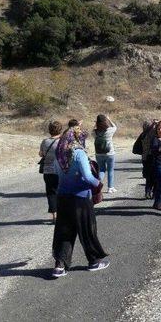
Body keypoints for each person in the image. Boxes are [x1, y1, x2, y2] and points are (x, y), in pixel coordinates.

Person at [52, 125, 108, 278]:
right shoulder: (78, 153)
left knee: (64, 232)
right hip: (81, 198)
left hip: (63, 198)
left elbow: (57, 175)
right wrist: (99, 185)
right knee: (87, 230)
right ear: (78, 138)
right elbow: (88, 178)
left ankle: (60, 265)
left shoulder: (58, 153)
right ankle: (94, 261)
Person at [39, 121, 62, 224]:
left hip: (47, 171)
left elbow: (41, 154)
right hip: (59, 171)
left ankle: (54, 216)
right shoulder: (62, 141)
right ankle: (62, 214)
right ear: (60, 130)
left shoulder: (45, 141)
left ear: (49, 130)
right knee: (61, 192)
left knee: (51, 193)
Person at [93, 115, 118, 193]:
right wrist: (109, 120)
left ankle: (97, 184)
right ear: (105, 121)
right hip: (110, 153)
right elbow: (115, 127)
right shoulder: (110, 130)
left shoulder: (94, 132)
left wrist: (96, 124)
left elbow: (93, 130)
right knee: (110, 170)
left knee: (102, 170)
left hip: (99, 153)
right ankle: (110, 188)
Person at [141, 120, 157, 199]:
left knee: (148, 176)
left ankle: (147, 192)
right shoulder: (151, 133)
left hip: (144, 158)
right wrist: (155, 123)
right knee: (154, 176)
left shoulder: (143, 134)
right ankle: (153, 192)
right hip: (151, 157)